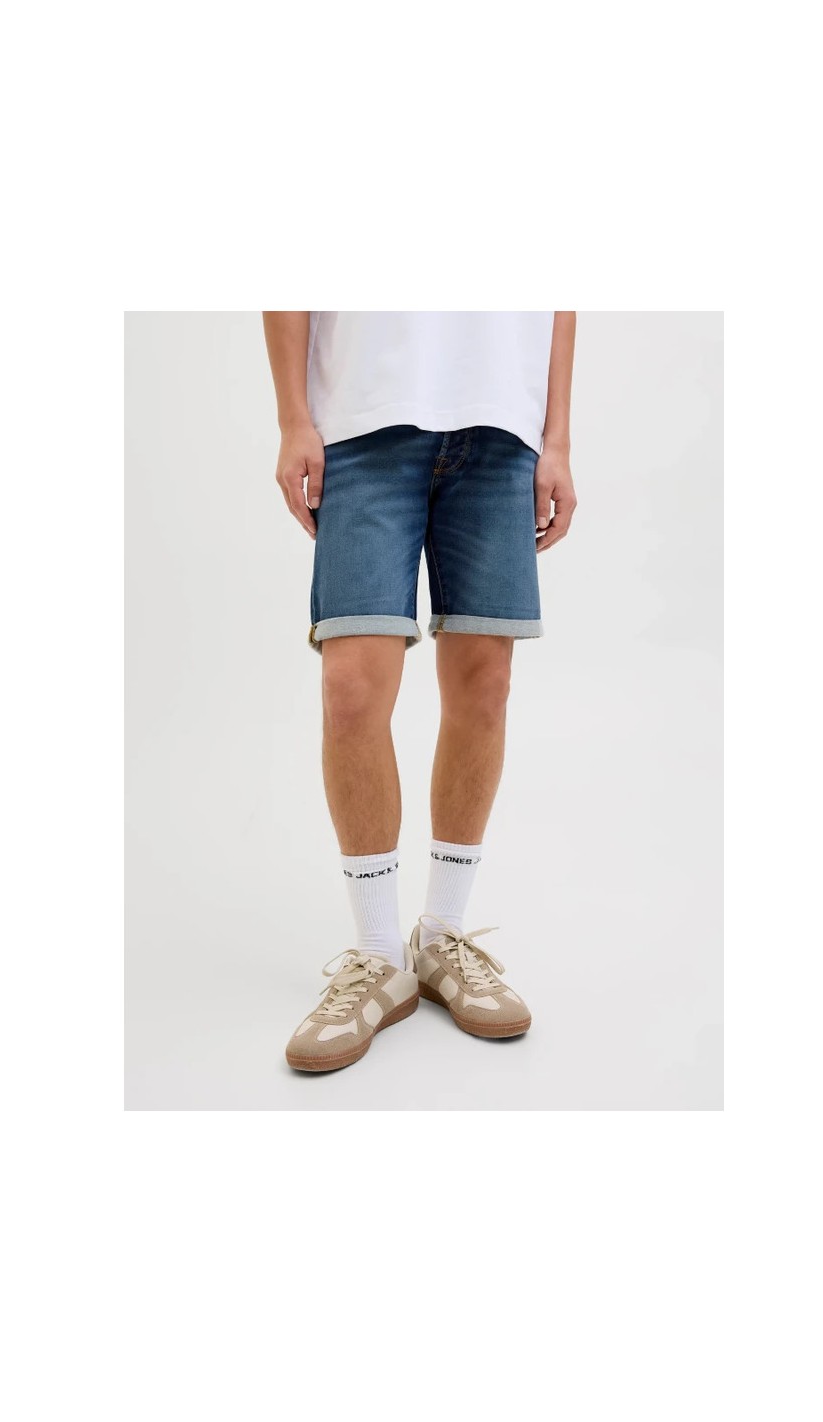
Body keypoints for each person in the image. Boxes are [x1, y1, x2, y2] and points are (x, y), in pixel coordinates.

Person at [263, 312, 577, 1072]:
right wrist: (293, 419)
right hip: (362, 423)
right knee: (351, 688)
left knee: (485, 684)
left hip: (502, 427)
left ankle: (440, 937)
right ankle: (378, 954)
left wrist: (558, 439)